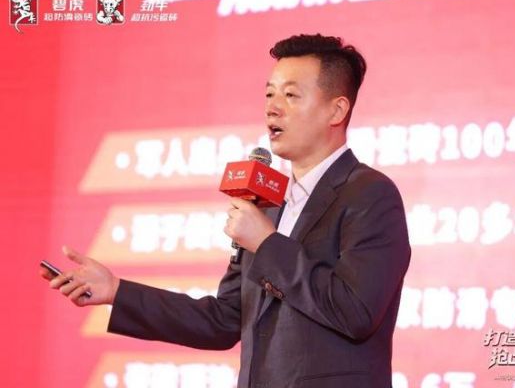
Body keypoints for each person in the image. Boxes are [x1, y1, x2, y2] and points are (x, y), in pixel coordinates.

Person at [40, 33, 411, 388]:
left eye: (290, 95)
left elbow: (355, 311)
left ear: (337, 110)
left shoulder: (370, 194)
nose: (272, 107)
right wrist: (117, 292)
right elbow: (223, 320)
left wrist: (266, 244)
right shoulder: (270, 207)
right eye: (269, 93)